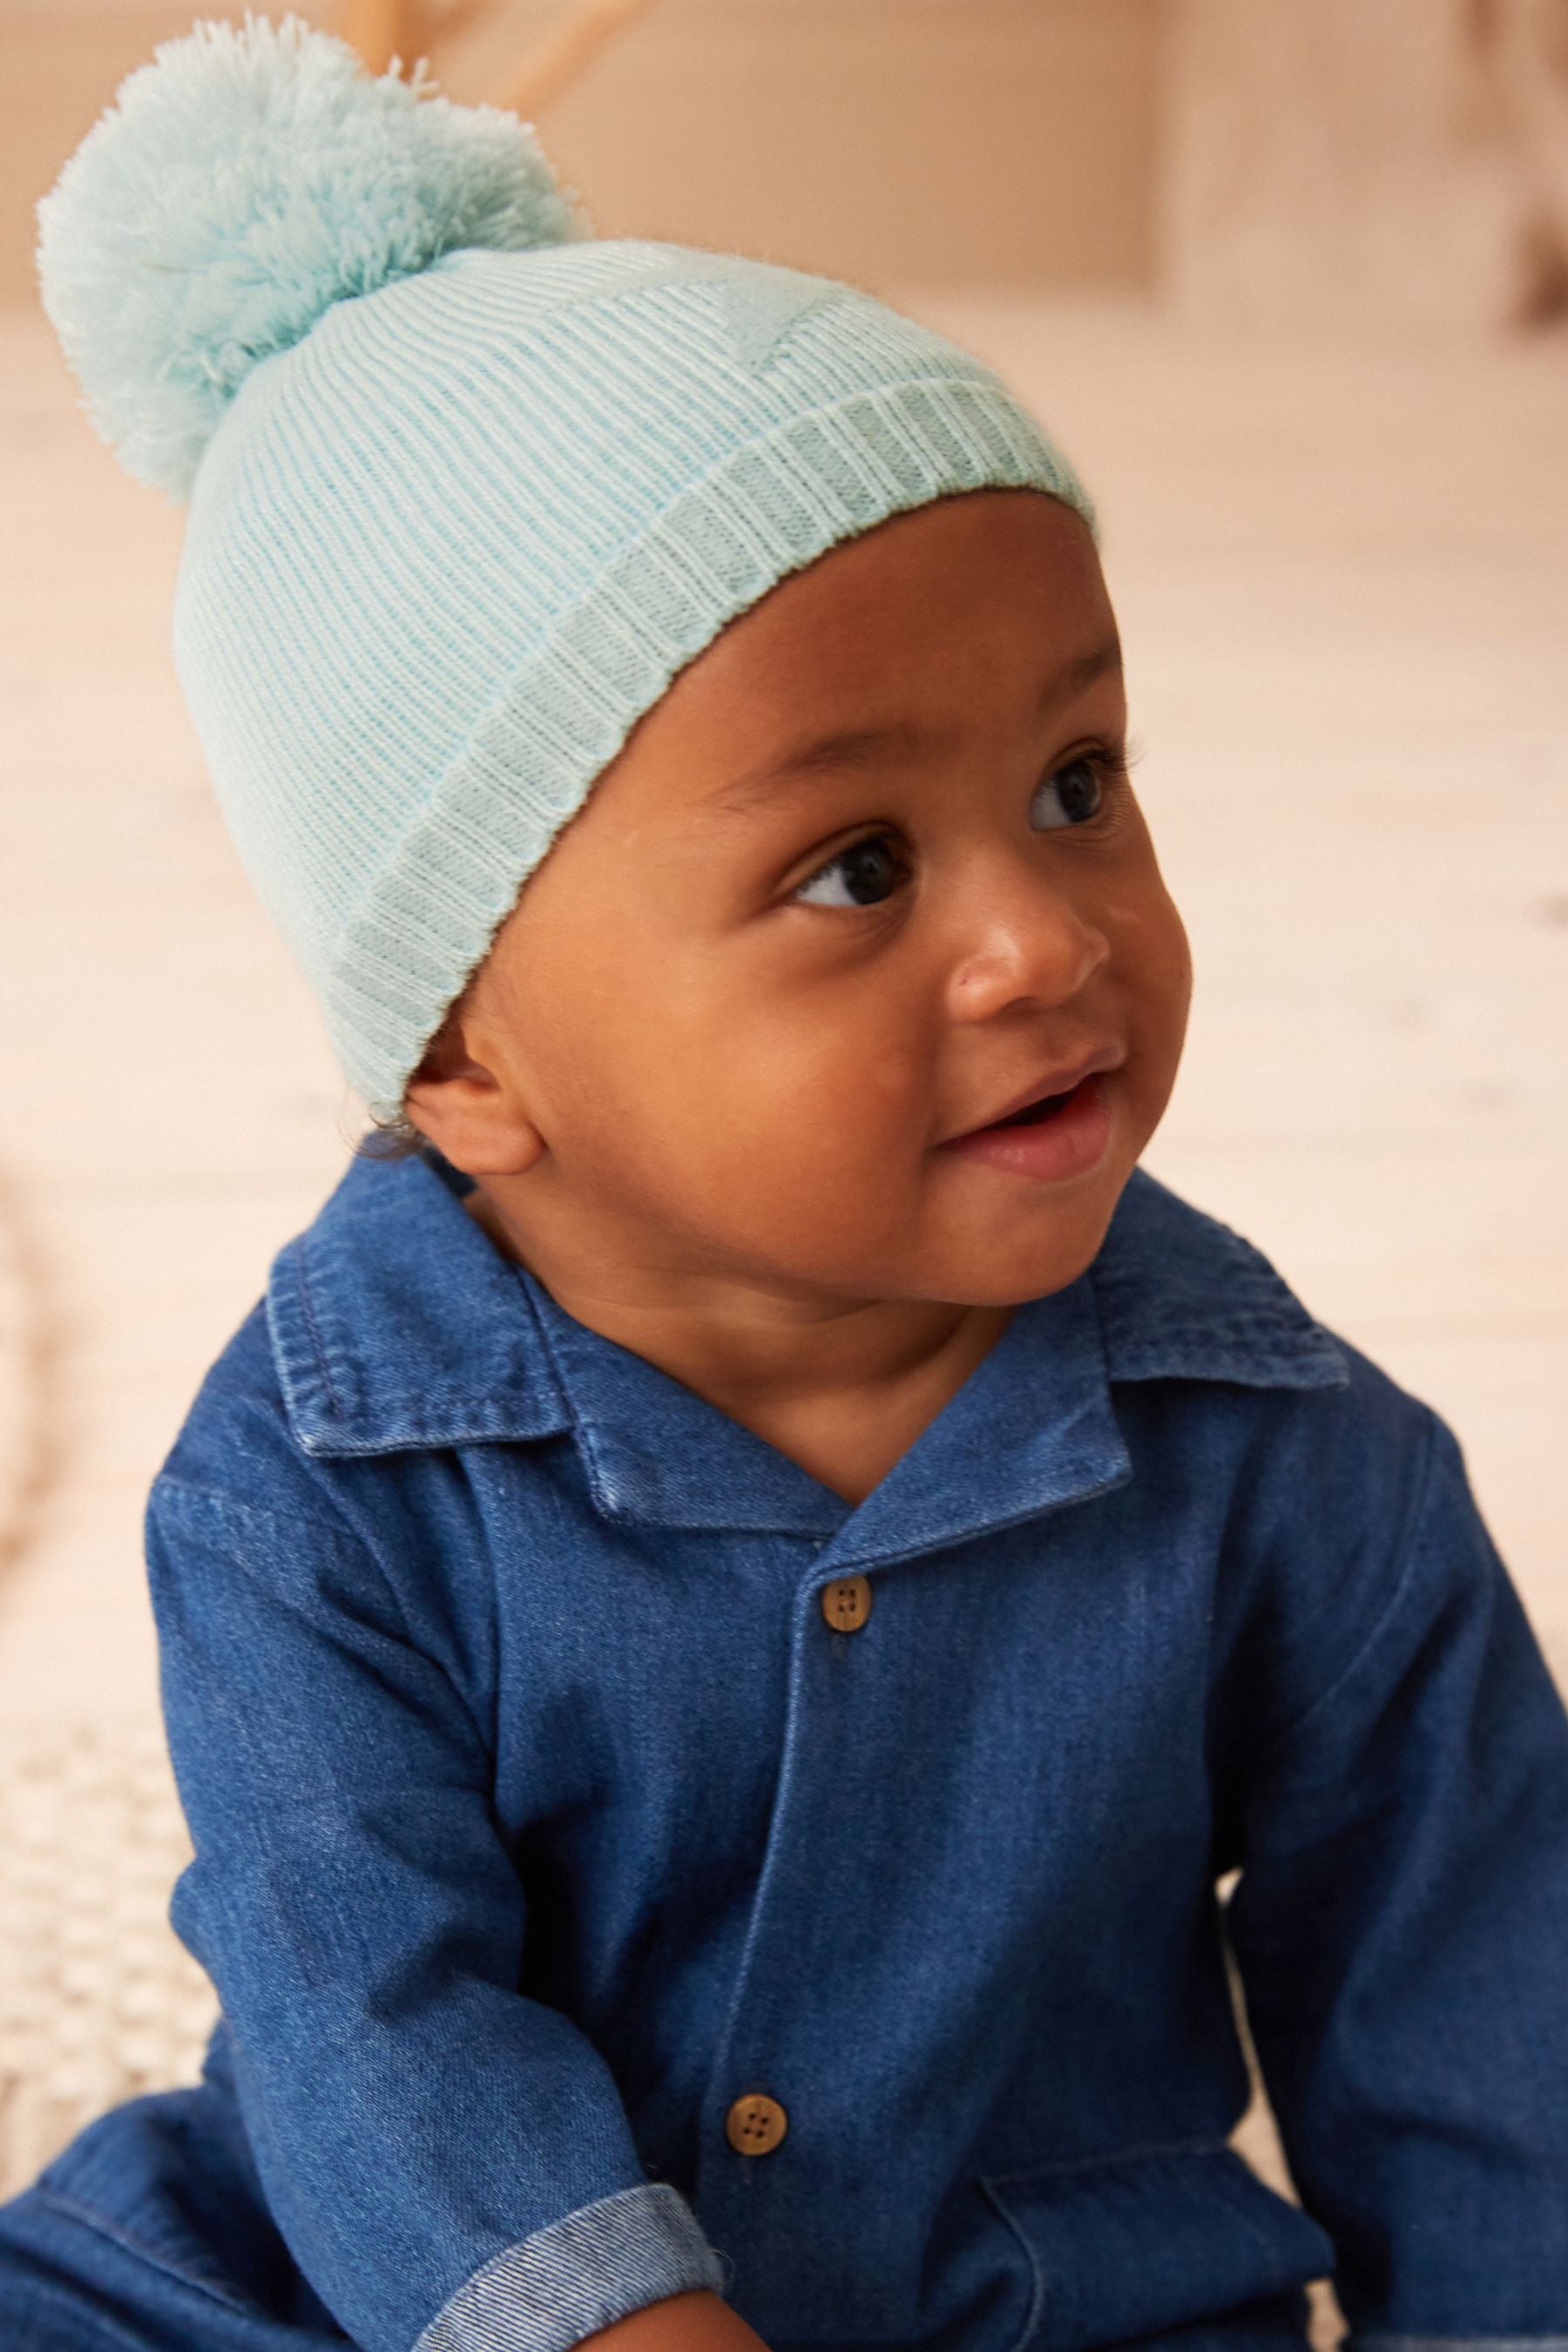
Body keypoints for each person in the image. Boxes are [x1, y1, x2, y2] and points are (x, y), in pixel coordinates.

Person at [6, 15, 1566, 2350]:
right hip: (411, 2296)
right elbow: (369, 2007)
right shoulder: (305, 1486)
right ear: (464, 1048)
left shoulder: (1298, 1468)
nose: (1045, 938)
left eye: (1076, 780)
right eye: (856, 866)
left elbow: (1480, 2021)